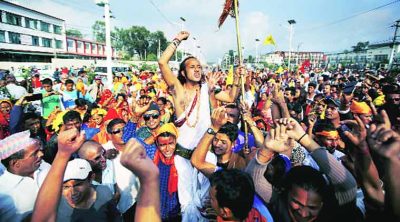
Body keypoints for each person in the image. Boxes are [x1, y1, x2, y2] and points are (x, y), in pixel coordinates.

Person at [158, 30, 241, 220]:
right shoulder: (177, 90)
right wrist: (178, 39)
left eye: (199, 67)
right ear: (182, 72)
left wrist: (237, 77)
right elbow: (162, 62)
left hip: (207, 153)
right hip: (184, 156)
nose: (197, 69)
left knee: (206, 201)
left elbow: (230, 97)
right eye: (192, 67)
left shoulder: (207, 89)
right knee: (187, 203)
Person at [0, 130, 50, 222]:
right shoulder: (3, 192)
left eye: (39, 150)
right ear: (15, 163)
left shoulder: (44, 166)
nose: (41, 154)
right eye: (34, 154)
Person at [57, 158, 122, 222]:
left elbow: (115, 217)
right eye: (66, 187)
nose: (73, 192)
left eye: (78, 185)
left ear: (91, 178)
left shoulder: (104, 192)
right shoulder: (56, 207)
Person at [102, 118, 140, 221]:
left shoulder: (137, 146)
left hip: (138, 201)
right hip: (116, 206)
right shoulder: (103, 151)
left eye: (124, 129)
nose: (122, 133)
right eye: (117, 131)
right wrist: (103, 156)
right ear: (110, 135)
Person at [191, 107, 246, 178]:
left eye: (223, 142)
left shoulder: (240, 164)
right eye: (215, 140)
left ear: (233, 144)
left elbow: (196, 162)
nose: (217, 144)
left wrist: (213, 128)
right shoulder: (208, 157)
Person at [154, 123, 181, 221]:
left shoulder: (182, 161)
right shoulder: (154, 158)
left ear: (176, 141)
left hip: (176, 214)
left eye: (170, 143)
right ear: (157, 144)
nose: (167, 149)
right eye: (162, 145)